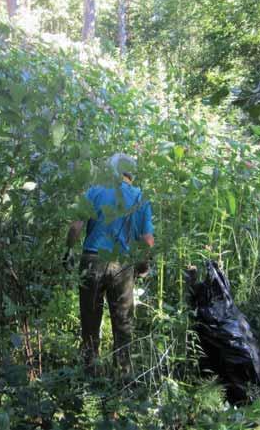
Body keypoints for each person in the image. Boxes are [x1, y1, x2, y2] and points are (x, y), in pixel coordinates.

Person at [64, 153, 155, 375]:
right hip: (122, 266)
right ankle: (122, 378)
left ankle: (89, 374)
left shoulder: (95, 191)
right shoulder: (140, 197)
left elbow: (76, 228)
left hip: (92, 261)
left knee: (90, 322)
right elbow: (147, 241)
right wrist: (142, 266)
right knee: (123, 325)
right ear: (131, 174)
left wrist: (68, 250)